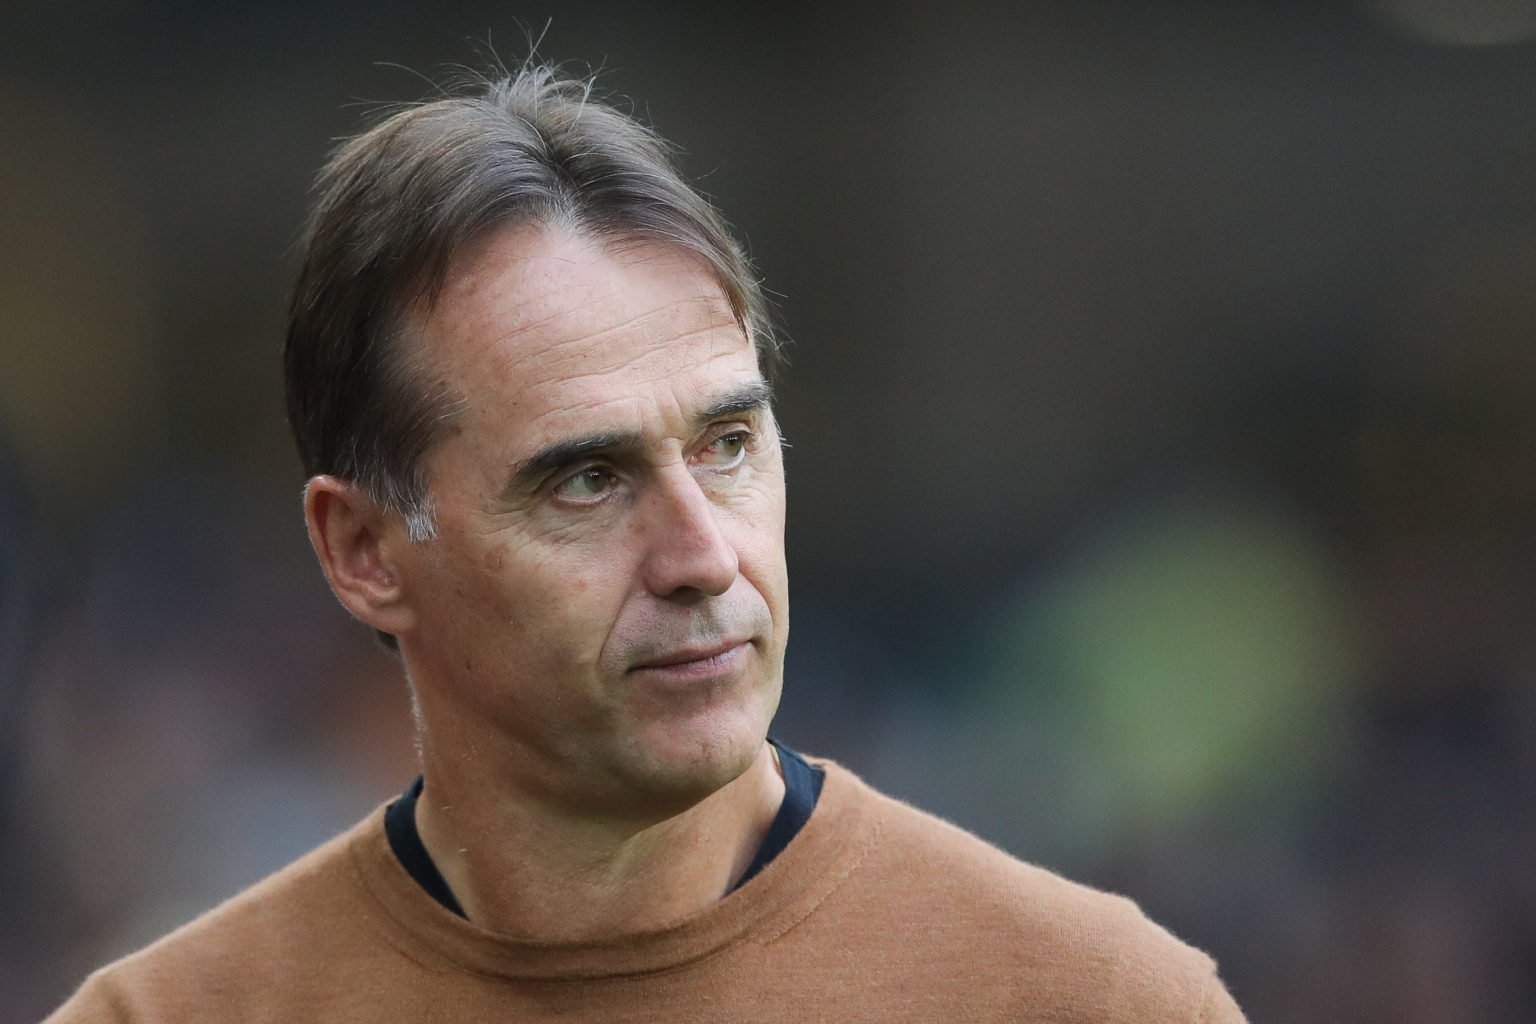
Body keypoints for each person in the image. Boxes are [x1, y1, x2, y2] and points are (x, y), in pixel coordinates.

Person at [46, 62, 1247, 1022]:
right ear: (364, 550)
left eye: (729, 444)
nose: (704, 556)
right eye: (585, 478)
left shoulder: (1090, 1000)